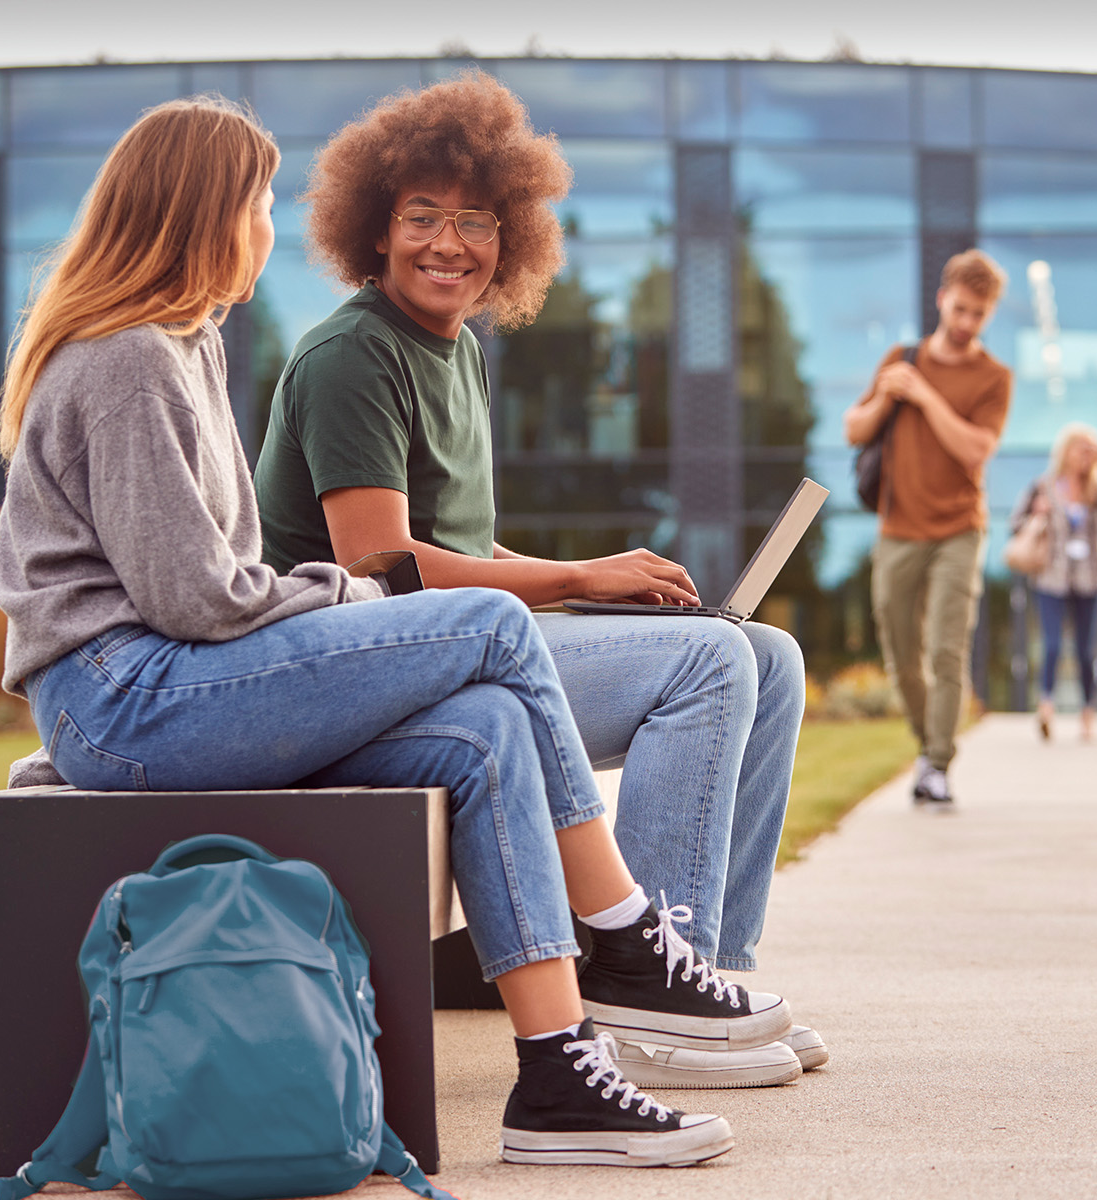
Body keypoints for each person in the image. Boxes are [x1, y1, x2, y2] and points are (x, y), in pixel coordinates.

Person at [0, 96, 776, 1169]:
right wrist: (351, 600)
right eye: (256, 202)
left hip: (180, 679)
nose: (268, 225)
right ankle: (632, 939)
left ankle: (556, 1074)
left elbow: (216, 589)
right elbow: (194, 599)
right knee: (497, 628)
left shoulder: (187, 349)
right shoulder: (126, 359)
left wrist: (315, 602)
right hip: (132, 696)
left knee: (490, 727)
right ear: (202, 213)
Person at [249, 74, 821, 1083]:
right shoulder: (351, 358)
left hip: (455, 647)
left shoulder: (455, 350)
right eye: (420, 216)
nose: (447, 243)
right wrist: (575, 571)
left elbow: (468, 545)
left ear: (507, 237)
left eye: (474, 220)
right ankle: (638, 989)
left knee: (765, 657)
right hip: (370, 673)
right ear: (373, 231)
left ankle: (706, 977)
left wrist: (597, 587)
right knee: (705, 666)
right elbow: (376, 562)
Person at [842, 250, 1013, 809]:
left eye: (978, 314)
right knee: (900, 649)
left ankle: (937, 764)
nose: (966, 322)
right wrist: (891, 394)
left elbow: (975, 451)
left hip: (960, 530)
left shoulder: (994, 378)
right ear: (942, 299)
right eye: (960, 308)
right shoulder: (902, 357)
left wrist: (924, 396)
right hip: (897, 528)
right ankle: (926, 746)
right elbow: (854, 427)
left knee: (946, 647)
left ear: (989, 315)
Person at [1010, 422, 1097, 743]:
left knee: (1088, 649)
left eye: (1090, 450)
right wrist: (1037, 514)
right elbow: (1015, 523)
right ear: (1065, 451)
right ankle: (1046, 705)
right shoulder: (1043, 487)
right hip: (1052, 578)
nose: (1084, 456)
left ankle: (1088, 711)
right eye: (1080, 448)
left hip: (1093, 579)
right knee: (1052, 644)